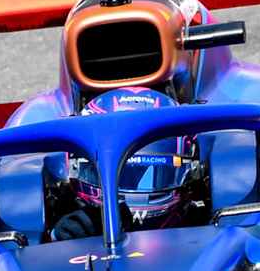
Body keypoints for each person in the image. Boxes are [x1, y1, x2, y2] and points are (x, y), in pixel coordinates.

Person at [47, 88, 211, 242]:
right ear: (76, 169)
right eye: (123, 177)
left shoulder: (209, 227)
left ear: (192, 171)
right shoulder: (71, 231)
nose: (133, 198)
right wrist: (57, 242)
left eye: (154, 176)